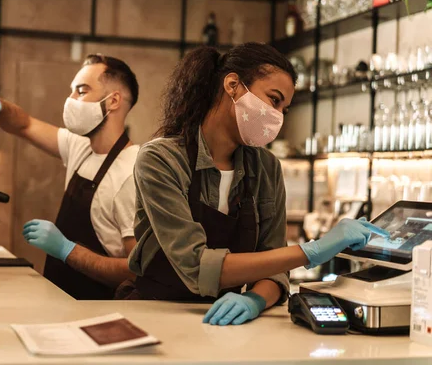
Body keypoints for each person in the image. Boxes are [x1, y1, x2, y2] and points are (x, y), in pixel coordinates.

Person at [125, 43, 389, 325]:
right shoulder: (161, 159)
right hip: (155, 314)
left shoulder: (266, 167)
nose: (278, 116)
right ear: (233, 85)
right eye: (274, 100)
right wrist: (310, 252)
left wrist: (256, 299)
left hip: (228, 323)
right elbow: (196, 265)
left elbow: (275, 269)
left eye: (284, 109)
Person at [0, 54, 140, 300]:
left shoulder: (131, 172)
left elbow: (136, 271)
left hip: (99, 308)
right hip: (62, 298)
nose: (70, 100)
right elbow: (24, 125)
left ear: (113, 101)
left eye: (81, 92)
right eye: (72, 91)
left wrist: (67, 250)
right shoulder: (81, 147)